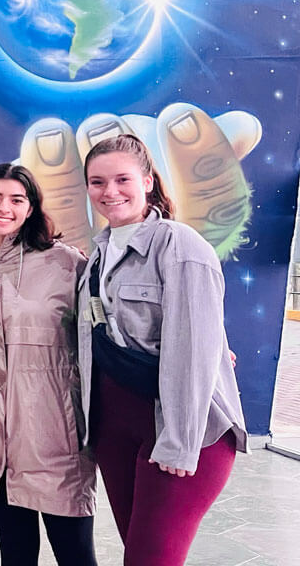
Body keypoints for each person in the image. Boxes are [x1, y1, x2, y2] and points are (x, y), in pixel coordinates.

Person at [77, 134, 246, 566]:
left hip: (183, 429)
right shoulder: (96, 257)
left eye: (122, 179)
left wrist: (179, 443)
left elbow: (193, 354)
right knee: (138, 553)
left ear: (148, 181)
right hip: (116, 428)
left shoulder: (181, 246)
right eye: (97, 182)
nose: (109, 192)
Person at [0, 164, 96, 566]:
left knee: (76, 556)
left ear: (32, 207)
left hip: (56, 438)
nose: (4, 207)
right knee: (15, 555)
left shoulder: (66, 263)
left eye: (17, 199)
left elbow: (113, 324)